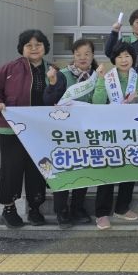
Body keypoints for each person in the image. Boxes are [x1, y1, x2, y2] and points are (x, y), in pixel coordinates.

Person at [0, 29, 50, 228]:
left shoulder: (52, 70)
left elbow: (60, 96)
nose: (34, 48)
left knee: (38, 169)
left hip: (41, 131)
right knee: (12, 169)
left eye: (38, 44)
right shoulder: (9, 69)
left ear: (45, 47)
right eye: (29, 45)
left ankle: (35, 208)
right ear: (22, 48)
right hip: (12, 129)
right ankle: (9, 209)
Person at [92, 42, 138, 230]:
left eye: (127, 56)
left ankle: (122, 207)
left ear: (133, 58)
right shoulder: (107, 78)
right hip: (110, 132)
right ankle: (102, 213)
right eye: (119, 56)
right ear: (113, 59)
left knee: (129, 170)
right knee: (107, 172)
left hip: (132, 132)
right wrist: (100, 81)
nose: (124, 60)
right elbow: (98, 103)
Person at [43, 38, 98, 228]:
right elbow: (48, 100)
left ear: (93, 56)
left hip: (87, 132)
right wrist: (52, 83)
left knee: (84, 170)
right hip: (64, 133)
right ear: (73, 55)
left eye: (87, 54)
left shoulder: (96, 76)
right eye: (78, 54)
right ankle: (61, 211)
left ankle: (77, 208)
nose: (82, 57)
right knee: (64, 171)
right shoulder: (63, 75)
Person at [104, 9, 138, 77]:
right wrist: (114, 32)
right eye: (137, 22)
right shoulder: (125, 41)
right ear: (132, 24)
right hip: (127, 81)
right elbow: (109, 53)